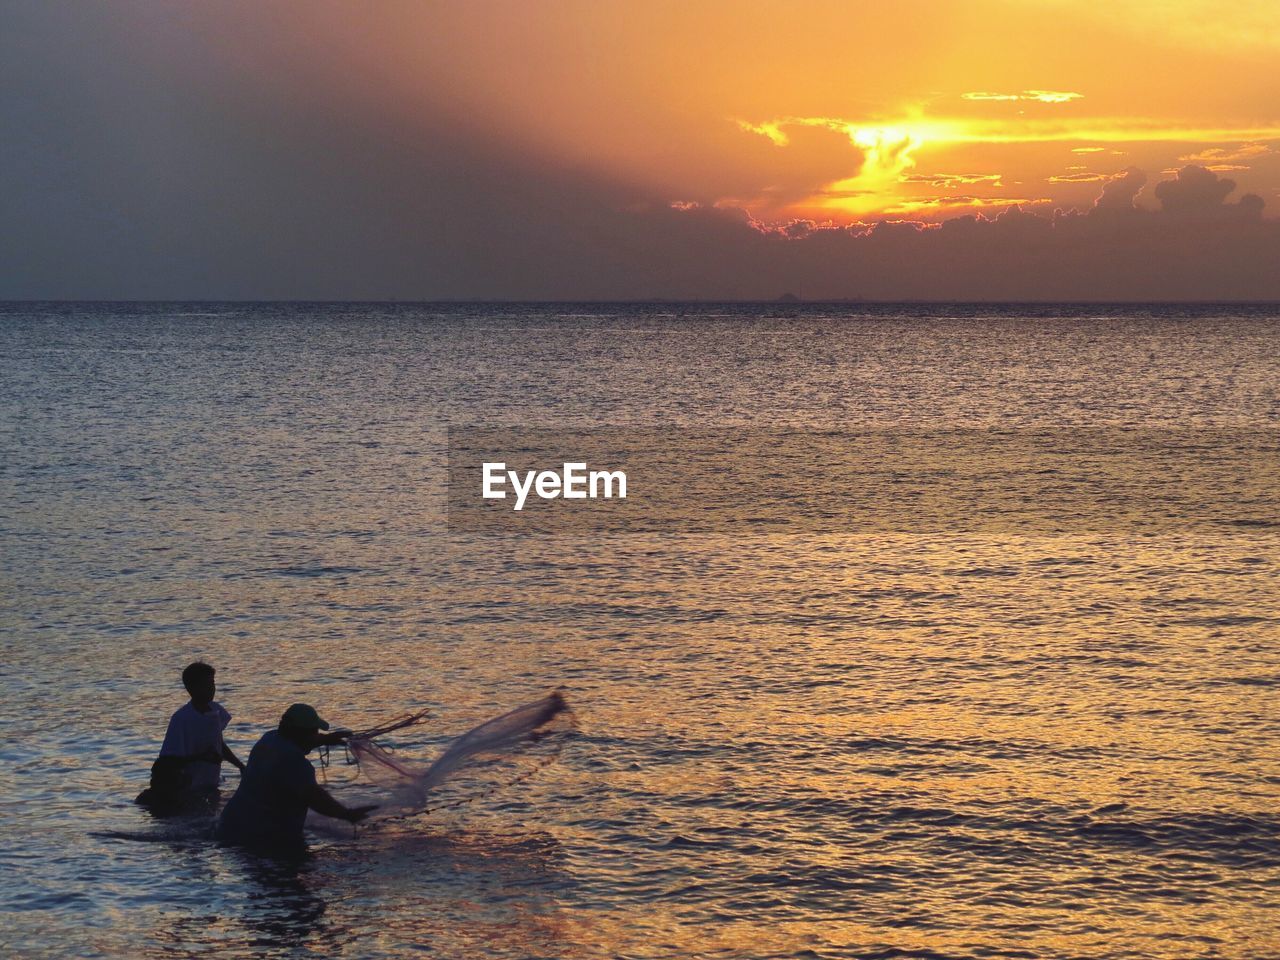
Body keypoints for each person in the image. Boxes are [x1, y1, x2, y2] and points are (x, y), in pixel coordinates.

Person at [215, 703, 376, 852]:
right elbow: (314, 797)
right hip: (261, 839)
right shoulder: (294, 762)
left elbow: (299, 740)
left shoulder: (269, 739)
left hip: (229, 826)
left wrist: (327, 739)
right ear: (305, 734)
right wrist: (347, 815)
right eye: (315, 731)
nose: (317, 735)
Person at [138, 661, 243, 809]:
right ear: (191, 688)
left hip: (211, 782)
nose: (212, 689)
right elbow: (167, 761)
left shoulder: (216, 711)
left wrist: (240, 765)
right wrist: (201, 757)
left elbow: (218, 743)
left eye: (213, 683)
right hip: (188, 788)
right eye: (206, 685)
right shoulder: (181, 719)